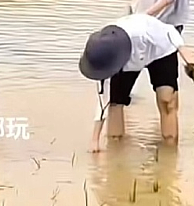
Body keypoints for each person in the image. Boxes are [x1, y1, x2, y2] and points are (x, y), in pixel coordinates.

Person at [79, 13, 194, 153]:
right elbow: (103, 100)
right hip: (125, 62)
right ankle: (116, 154)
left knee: (167, 100)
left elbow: (169, 31)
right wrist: (94, 140)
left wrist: (182, 49)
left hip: (159, 52)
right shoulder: (104, 56)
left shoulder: (140, 31)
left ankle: (170, 154)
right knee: (115, 103)